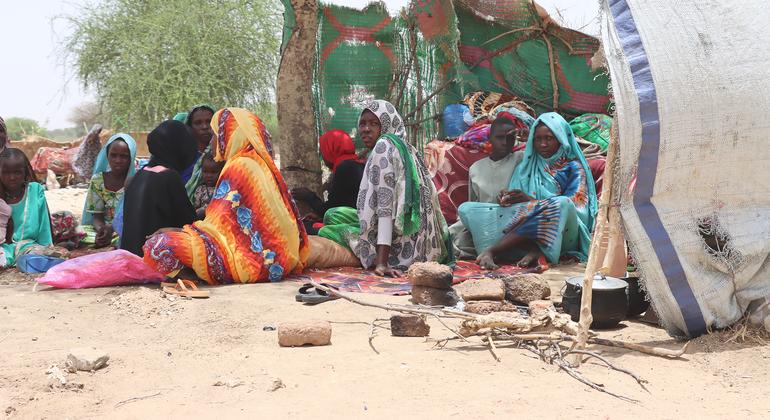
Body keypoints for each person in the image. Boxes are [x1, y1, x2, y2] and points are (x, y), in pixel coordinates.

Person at [143, 108, 309, 284]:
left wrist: (179, 231)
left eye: (216, 136)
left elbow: (219, 228)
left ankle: (199, 278)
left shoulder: (238, 166)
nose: (213, 142)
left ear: (230, 136)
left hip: (253, 264)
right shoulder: (259, 163)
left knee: (158, 246)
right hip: (279, 260)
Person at [319, 100, 452, 276]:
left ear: (387, 124)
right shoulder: (407, 147)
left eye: (374, 123)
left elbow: (385, 207)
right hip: (423, 244)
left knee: (326, 229)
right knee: (333, 214)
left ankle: (378, 255)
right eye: (363, 123)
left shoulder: (384, 146)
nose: (366, 129)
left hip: (401, 249)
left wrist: (381, 263)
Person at [458, 112, 597, 269]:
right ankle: (534, 250)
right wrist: (507, 199)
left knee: (561, 204)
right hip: (528, 232)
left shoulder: (573, 168)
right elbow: (518, 211)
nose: (543, 144)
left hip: (563, 233)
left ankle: (492, 250)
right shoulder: (526, 166)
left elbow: (577, 209)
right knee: (466, 208)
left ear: (561, 138)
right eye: (538, 139)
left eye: (549, 138)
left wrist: (530, 201)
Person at [449, 113, 529, 258]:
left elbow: (539, 156)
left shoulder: (521, 159)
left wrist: (528, 136)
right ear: (490, 138)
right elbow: (473, 205)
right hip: (484, 223)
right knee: (452, 237)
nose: (505, 142)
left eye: (510, 137)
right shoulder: (475, 168)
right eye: (499, 137)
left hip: (511, 222)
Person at [120, 120, 199, 257]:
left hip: (131, 257)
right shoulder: (169, 177)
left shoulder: (141, 174)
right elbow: (188, 223)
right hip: (153, 261)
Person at [291, 129, 365, 232]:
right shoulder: (358, 163)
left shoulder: (344, 168)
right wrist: (321, 218)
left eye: (323, 151)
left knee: (299, 229)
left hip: (354, 227)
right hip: (357, 222)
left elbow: (329, 210)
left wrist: (308, 196)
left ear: (331, 150)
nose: (323, 157)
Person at [0, 148, 62, 267]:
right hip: (3, 247)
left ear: (25, 173)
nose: (12, 177)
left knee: (35, 255)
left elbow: (44, 223)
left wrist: (47, 247)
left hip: (28, 246)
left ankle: (30, 261)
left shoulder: (35, 190)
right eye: (6, 173)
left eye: (17, 172)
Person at [81, 134, 137, 248]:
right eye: (113, 155)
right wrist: (102, 230)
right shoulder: (98, 180)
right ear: (107, 156)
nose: (118, 160)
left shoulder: (138, 180)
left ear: (131, 157)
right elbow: (96, 217)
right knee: (79, 233)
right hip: (104, 227)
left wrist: (113, 228)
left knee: (127, 239)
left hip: (126, 228)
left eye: (124, 156)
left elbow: (135, 216)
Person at [181, 104, 216, 197]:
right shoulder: (183, 157)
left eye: (209, 121)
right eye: (198, 123)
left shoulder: (223, 156)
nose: (204, 126)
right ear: (190, 127)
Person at [192, 152, 225, 218]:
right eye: (205, 172)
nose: (209, 175)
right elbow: (196, 208)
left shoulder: (223, 189)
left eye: (213, 172)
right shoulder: (200, 190)